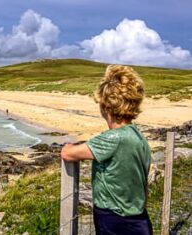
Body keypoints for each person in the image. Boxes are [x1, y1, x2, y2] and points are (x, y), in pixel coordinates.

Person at [60, 65, 152, 235]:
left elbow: (67, 153)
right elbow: (144, 181)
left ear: (106, 106)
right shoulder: (138, 136)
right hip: (138, 216)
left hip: (114, 219)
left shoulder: (113, 138)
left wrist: (68, 146)